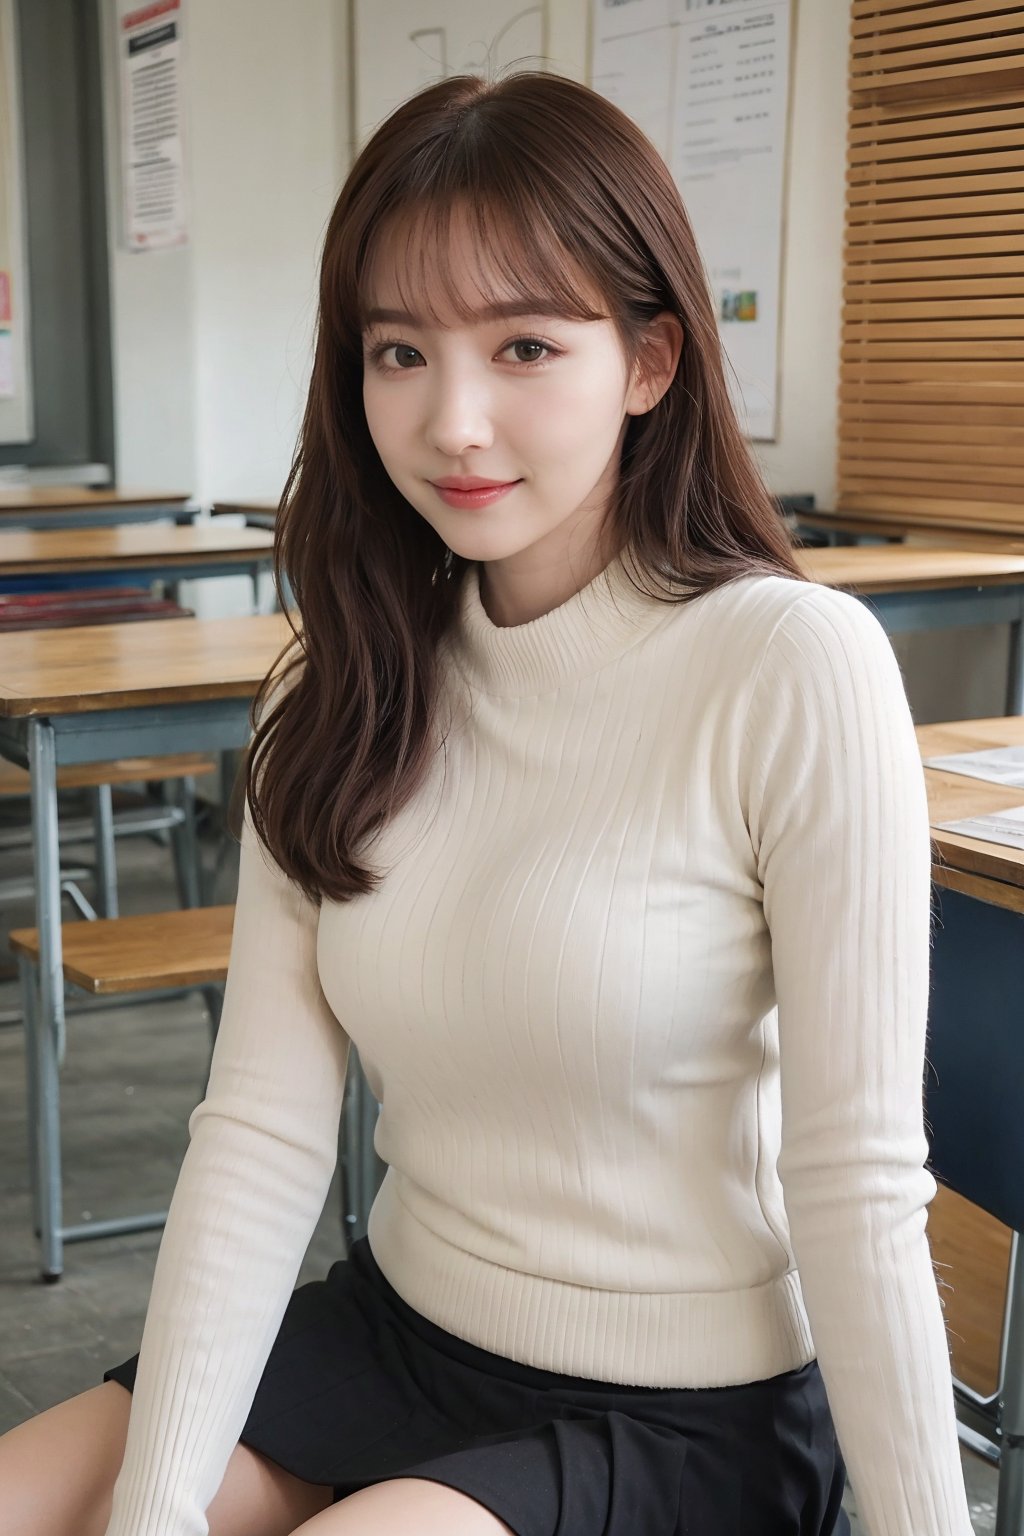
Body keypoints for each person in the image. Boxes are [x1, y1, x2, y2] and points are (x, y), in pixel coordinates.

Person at [0, 68, 974, 1536]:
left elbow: (858, 1184)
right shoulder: (339, 687)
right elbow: (261, 1132)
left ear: (650, 361)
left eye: (524, 343)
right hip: (399, 1331)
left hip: (682, 1415)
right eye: (400, 352)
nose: (453, 422)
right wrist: (154, 1506)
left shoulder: (786, 664)